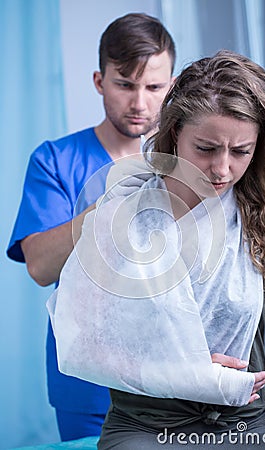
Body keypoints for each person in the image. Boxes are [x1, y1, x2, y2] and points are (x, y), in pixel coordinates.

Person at [49, 50, 265, 449]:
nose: (222, 169)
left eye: (241, 152)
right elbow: (84, 343)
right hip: (145, 424)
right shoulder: (121, 218)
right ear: (175, 133)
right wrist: (182, 367)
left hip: (244, 420)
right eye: (205, 148)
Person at [6, 13, 176, 441]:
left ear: (170, 87)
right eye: (124, 84)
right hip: (87, 383)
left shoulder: (190, 164)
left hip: (175, 372)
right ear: (100, 81)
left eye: (154, 87)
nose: (140, 103)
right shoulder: (55, 160)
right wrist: (106, 208)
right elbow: (40, 267)